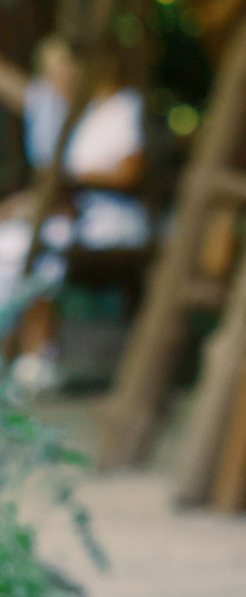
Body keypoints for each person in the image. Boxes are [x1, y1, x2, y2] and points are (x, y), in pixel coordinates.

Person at [0, 36, 152, 388]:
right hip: (63, 212)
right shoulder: (55, 110)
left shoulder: (121, 107)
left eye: (62, 70)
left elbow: (130, 172)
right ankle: (19, 349)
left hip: (108, 217)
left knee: (30, 246)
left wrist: (71, 178)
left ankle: (39, 351)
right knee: (8, 241)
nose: (56, 79)